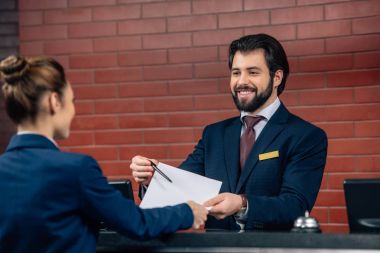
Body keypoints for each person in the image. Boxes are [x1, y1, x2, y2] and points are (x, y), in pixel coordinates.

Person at [0, 55, 208, 252]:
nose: (72, 110)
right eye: (72, 101)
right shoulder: (75, 170)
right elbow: (136, 223)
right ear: (54, 101)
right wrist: (188, 212)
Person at [130, 34, 328, 231]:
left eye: (252, 72)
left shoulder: (306, 136)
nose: (241, 81)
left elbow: (296, 206)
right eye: (235, 73)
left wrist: (242, 203)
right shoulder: (213, 135)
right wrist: (153, 178)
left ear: (276, 77)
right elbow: (183, 189)